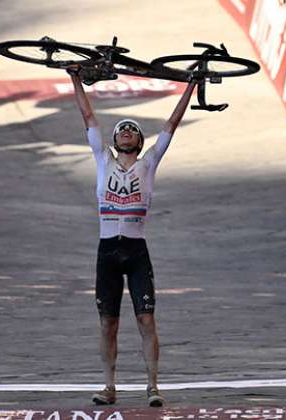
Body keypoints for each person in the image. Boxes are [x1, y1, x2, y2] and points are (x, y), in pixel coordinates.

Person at [68, 65, 196, 407]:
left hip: (136, 250)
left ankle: (153, 386)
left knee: (146, 319)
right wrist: (74, 78)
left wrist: (191, 86)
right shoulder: (102, 160)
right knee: (108, 324)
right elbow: (87, 115)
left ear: (140, 142)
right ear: (113, 141)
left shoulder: (149, 162)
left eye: (132, 130)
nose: (126, 132)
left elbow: (171, 125)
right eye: (121, 129)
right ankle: (109, 387)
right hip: (107, 249)